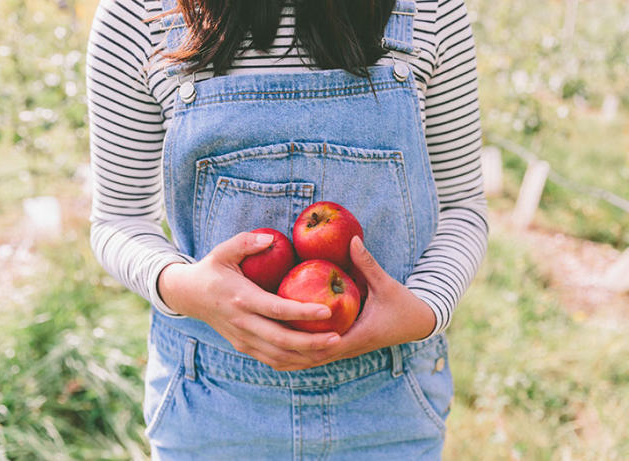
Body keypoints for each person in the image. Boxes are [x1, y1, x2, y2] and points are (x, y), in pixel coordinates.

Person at [87, 0, 488, 458]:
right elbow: (119, 220)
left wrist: (426, 309)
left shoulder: (431, 11)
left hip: (388, 403)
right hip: (213, 407)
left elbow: (462, 206)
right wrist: (183, 287)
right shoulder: (138, 14)